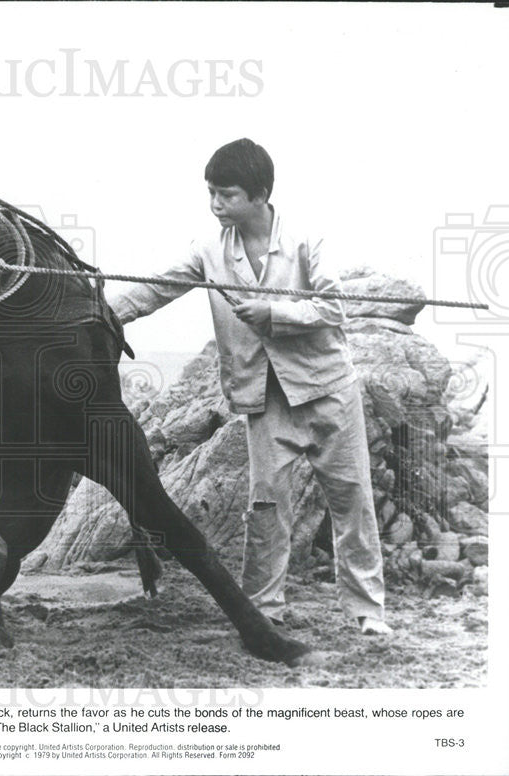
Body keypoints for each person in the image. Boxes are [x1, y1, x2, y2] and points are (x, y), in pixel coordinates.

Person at [109, 138, 392, 635]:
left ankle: (368, 611)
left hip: (327, 390)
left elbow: (333, 308)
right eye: (211, 194)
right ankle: (265, 608)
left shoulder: (307, 241)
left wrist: (272, 312)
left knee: (352, 501)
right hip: (265, 400)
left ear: (260, 194)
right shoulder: (209, 251)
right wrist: (102, 315)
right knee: (265, 508)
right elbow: (155, 287)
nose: (216, 205)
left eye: (227, 194)